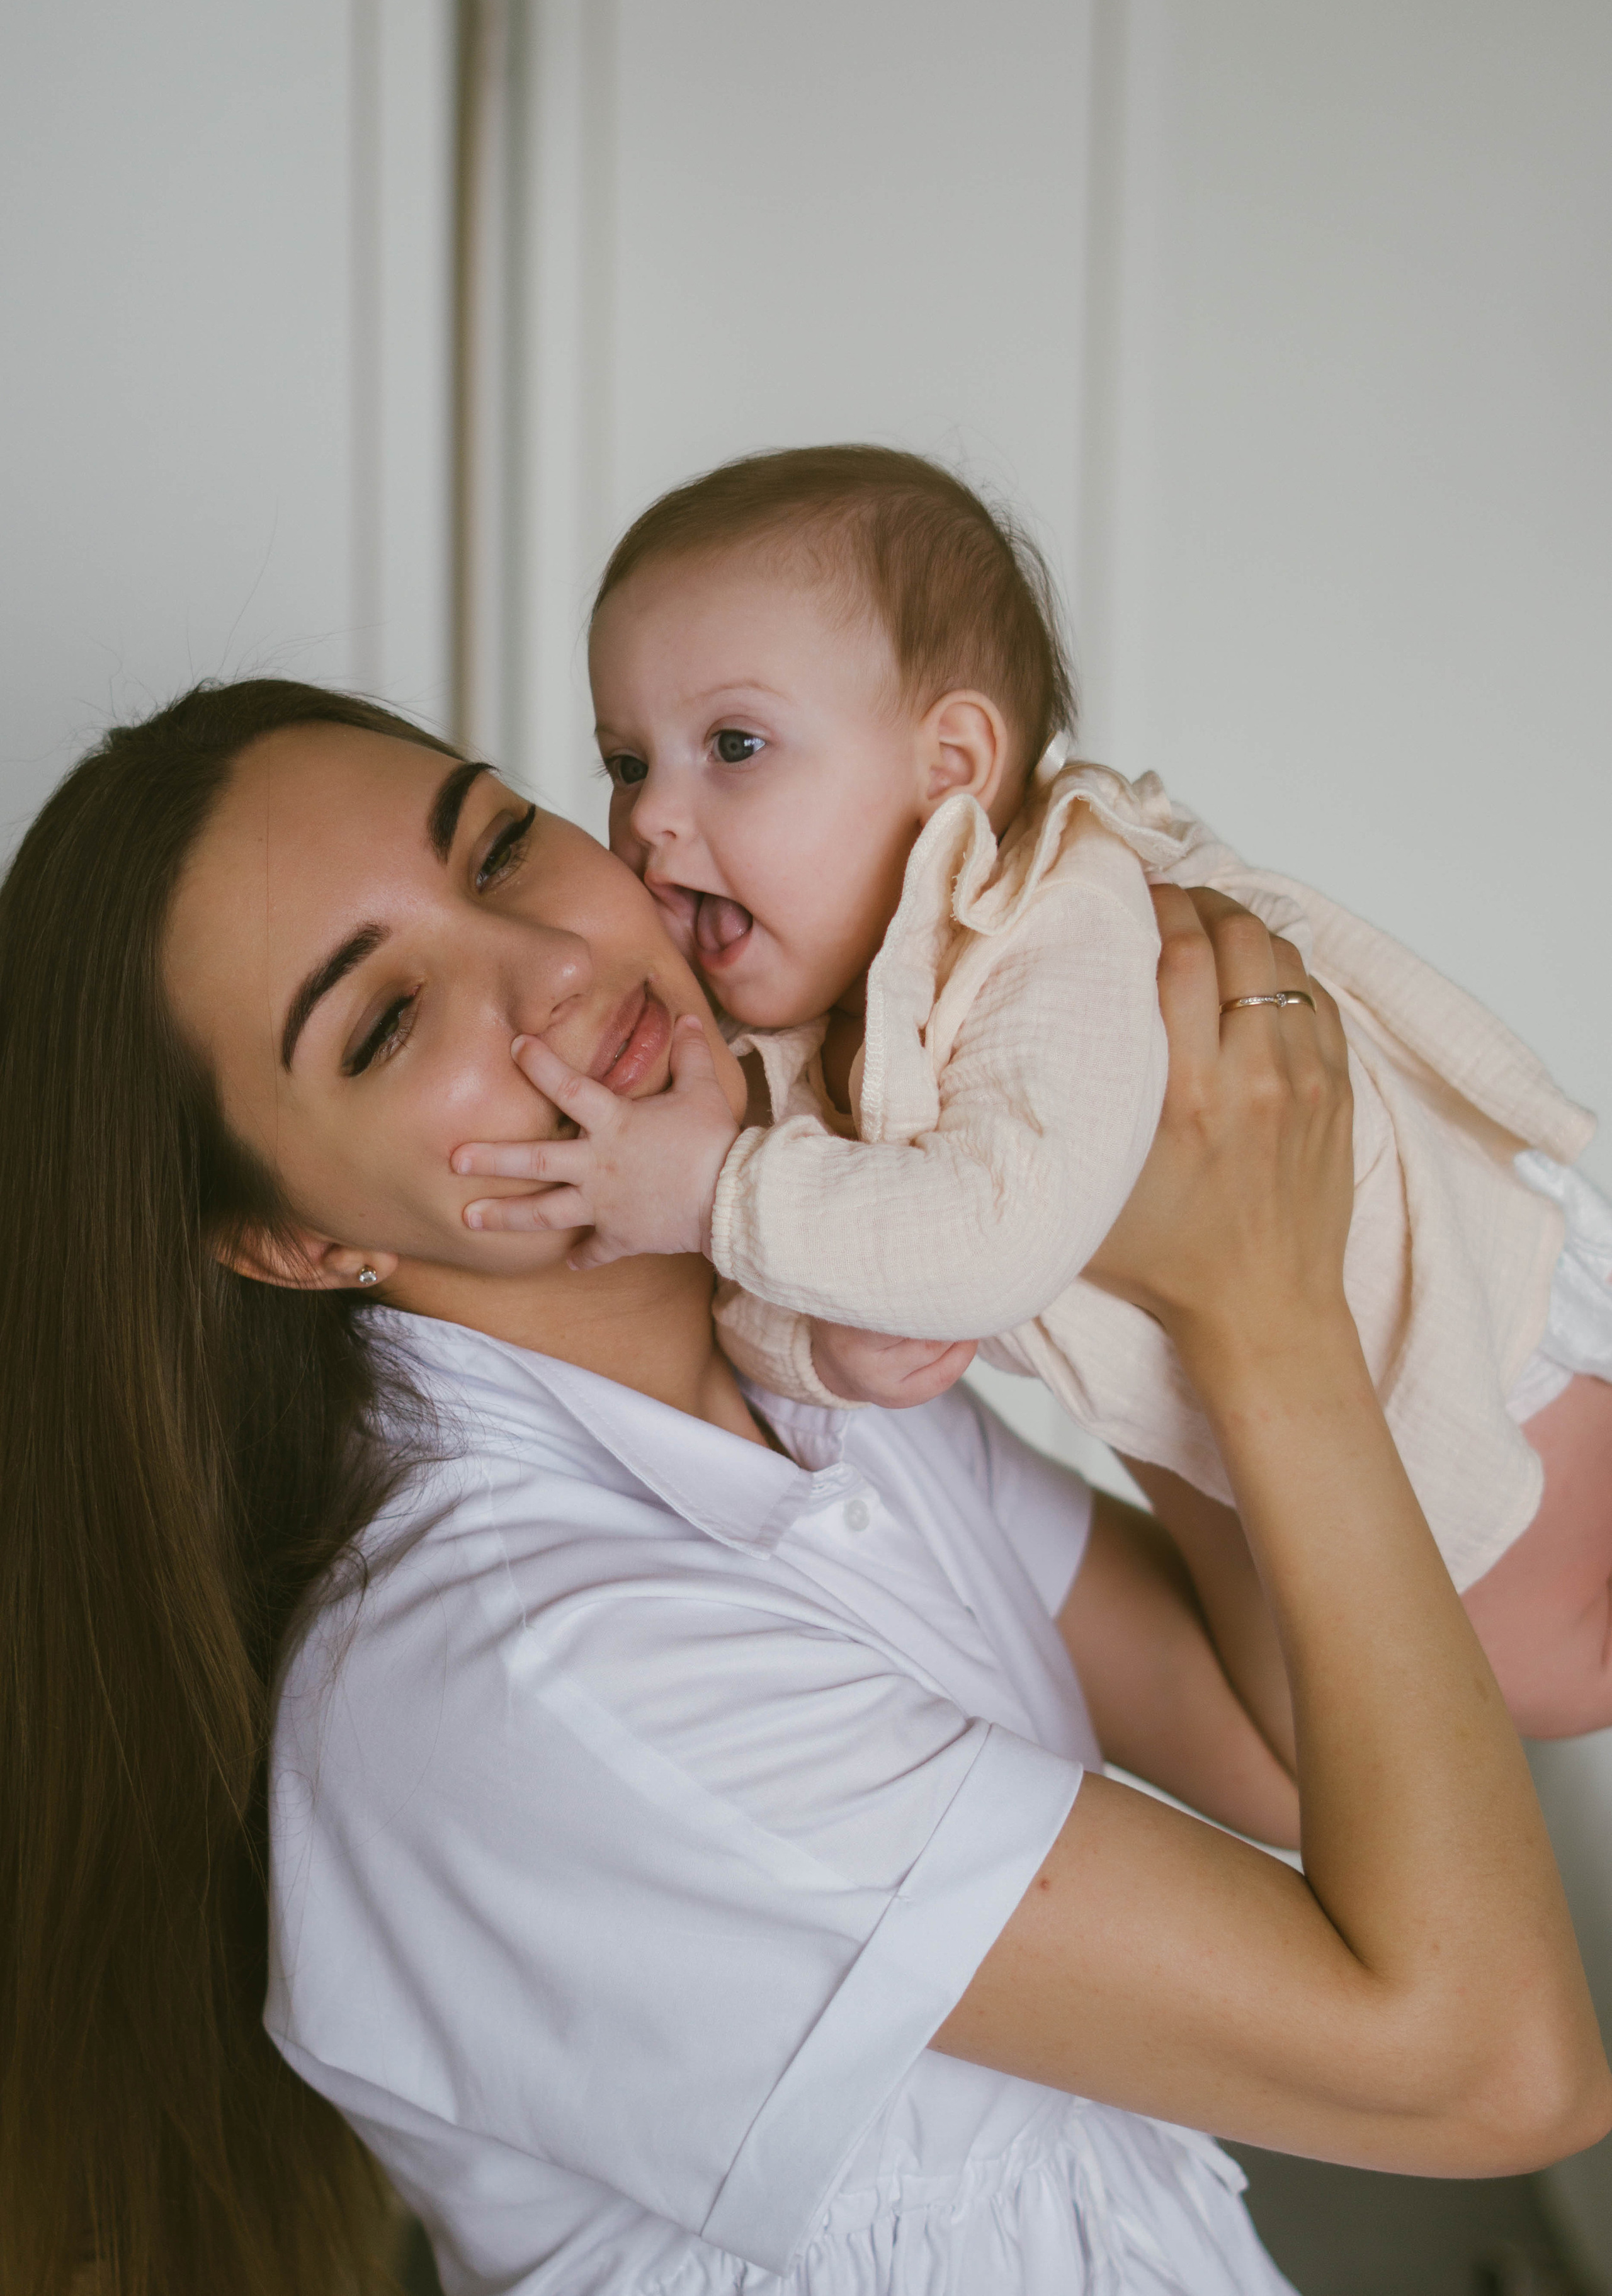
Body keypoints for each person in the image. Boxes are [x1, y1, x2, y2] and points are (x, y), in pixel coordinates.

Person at [1, 677, 1604, 2296]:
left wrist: (1085, 1197)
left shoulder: (796, 1365)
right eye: (386, 1023)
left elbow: (1285, 1753)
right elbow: (1492, 2067)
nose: (554, 969)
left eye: (495, 850)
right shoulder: (533, 1670)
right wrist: (1266, 1318)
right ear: (298, 1243)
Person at [453, 445, 1612, 1751]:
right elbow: (761, 1297)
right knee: (1419, 1715)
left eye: (732, 746)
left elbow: (991, 1233)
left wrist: (704, 1188)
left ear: (949, 765)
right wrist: (822, 1352)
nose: (653, 817)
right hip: (1309, 1462)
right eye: (623, 763)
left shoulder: (1051, 918)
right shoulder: (781, 1043)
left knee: (1551, 1660)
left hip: (1494, 1361)